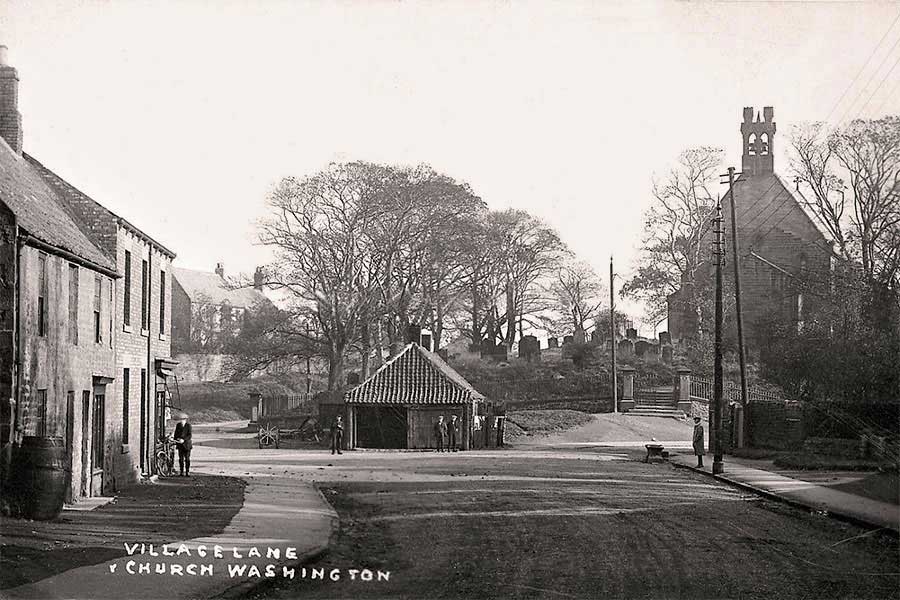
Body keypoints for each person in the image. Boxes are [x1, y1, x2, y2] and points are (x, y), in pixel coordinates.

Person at [173, 412, 193, 477]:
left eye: (182, 419)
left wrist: (183, 440)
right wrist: (177, 439)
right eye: (180, 419)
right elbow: (175, 434)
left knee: (187, 459)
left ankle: (187, 471)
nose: (181, 421)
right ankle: (181, 472)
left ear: (185, 420)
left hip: (187, 445)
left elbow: (189, 435)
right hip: (180, 445)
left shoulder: (188, 426)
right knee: (180, 459)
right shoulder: (178, 425)